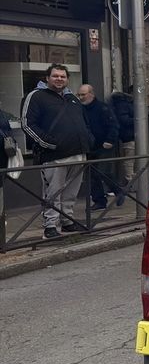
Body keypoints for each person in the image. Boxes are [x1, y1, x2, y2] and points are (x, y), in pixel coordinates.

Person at [21, 64, 92, 238]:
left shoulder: (72, 98)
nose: (59, 79)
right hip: (54, 155)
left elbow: (84, 121)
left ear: (67, 79)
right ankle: (50, 225)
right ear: (47, 78)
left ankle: (67, 221)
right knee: (53, 192)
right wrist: (49, 143)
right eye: (55, 76)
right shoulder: (36, 96)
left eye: (62, 76)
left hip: (78, 153)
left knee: (71, 192)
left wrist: (88, 139)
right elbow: (27, 124)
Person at [78, 84, 125, 211]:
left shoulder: (102, 108)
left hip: (104, 145)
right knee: (91, 175)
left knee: (103, 171)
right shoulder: (79, 109)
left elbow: (113, 125)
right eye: (79, 95)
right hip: (89, 146)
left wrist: (110, 140)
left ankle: (118, 190)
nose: (81, 97)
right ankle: (99, 201)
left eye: (83, 94)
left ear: (91, 94)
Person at [111, 86, 137, 188]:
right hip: (128, 136)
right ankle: (130, 182)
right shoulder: (124, 104)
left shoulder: (126, 103)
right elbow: (124, 120)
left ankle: (132, 181)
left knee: (132, 159)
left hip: (129, 135)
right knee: (130, 159)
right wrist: (138, 120)